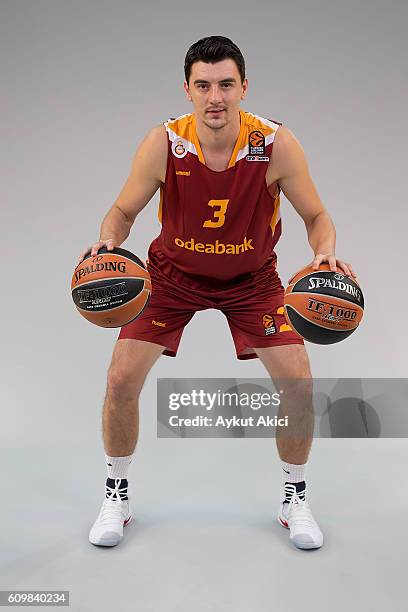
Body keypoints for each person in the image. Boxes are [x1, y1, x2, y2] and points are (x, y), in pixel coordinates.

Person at [78, 36, 356, 550]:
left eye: (226, 85)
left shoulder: (275, 144)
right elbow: (122, 212)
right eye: (203, 86)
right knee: (120, 380)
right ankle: (116, 491)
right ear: (187, 90)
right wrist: (109, 241)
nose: (216, 98)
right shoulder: (164, 142)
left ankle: (293, 496)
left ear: (244, 87)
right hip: (170, 278)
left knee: (297, 381)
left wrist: (325, 251)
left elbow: (317, 217)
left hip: (252, 283)